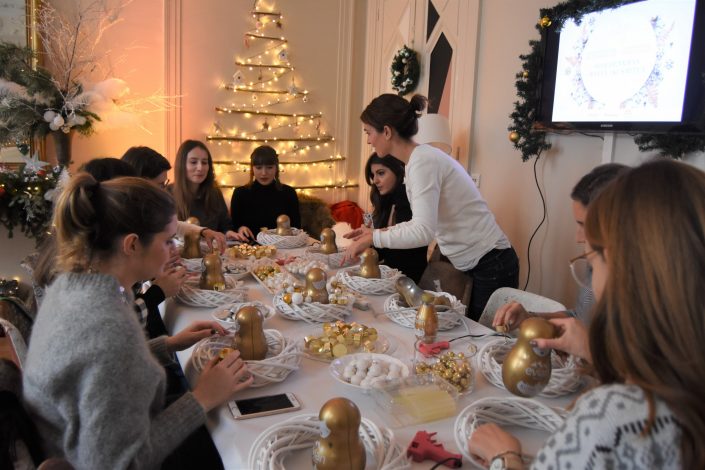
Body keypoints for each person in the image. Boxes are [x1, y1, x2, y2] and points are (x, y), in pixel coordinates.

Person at [469, 159, 705, 469]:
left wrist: (506, 457)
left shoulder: (615, 419)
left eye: (595, 252)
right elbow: (580, 316)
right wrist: (535, 319)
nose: (581, 241)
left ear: (626, 264)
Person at [23, 174, 254, 468]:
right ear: (132, 245)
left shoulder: (75, 285)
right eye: (168, 240)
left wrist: (167, 344)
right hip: (84, 458)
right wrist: (202, 398)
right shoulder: (109, 326)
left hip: (76, 438)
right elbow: (121, 462)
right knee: (232, 439)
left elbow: (96, 371)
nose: (175, 249)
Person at [343, 94, 519, 319]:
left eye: (369, 132)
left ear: (386, 131)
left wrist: (374, 238)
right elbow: (419, 223)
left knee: (480, 341)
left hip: (491, 263)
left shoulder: (423, 162)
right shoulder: (418, 160)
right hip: (481, 261)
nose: (368, 140)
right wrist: (376, 233)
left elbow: (423, 232)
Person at [492, 163, 628, 329]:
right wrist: (530, 318)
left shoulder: (642, 292)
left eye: (584, 225)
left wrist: (585, 349)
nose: (578, 238)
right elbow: (580, 317)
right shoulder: (596, 261)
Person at [121, 146, 227, 250]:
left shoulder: (147, 207)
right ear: (138, 183)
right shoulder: (122, 216)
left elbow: (173, 225)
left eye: (164, 184)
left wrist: (203, 231)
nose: (163, 191)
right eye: (160, 185)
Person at [363, 153, 427, 283]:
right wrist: (368, 240)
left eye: (381, 173)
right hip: (388, 276)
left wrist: (374, 237)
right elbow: (383, 253)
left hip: (408, 280)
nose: (375, 180)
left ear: (398, 171)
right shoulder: (386, 202)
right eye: (373, 175)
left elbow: (401, 254)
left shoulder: (409, 201)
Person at [230, 145, 300, 242]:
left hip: (283, 247)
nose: (264, 173)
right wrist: (239, 228)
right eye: (258, 167)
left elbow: (296, 228)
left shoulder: (289, 193)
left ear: (276, 168)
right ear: (252, 169)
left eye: (269, 167)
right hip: (249, 248)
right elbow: (234, 225)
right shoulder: (240, 193)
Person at [171, 139, 236, 238]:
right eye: (193, 162)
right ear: (182, 165)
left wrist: (229, 233)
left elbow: (225, 226)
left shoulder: (215, 193)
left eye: (204, 163)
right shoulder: (167, 194)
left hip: (211, 252)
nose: (200, 167)